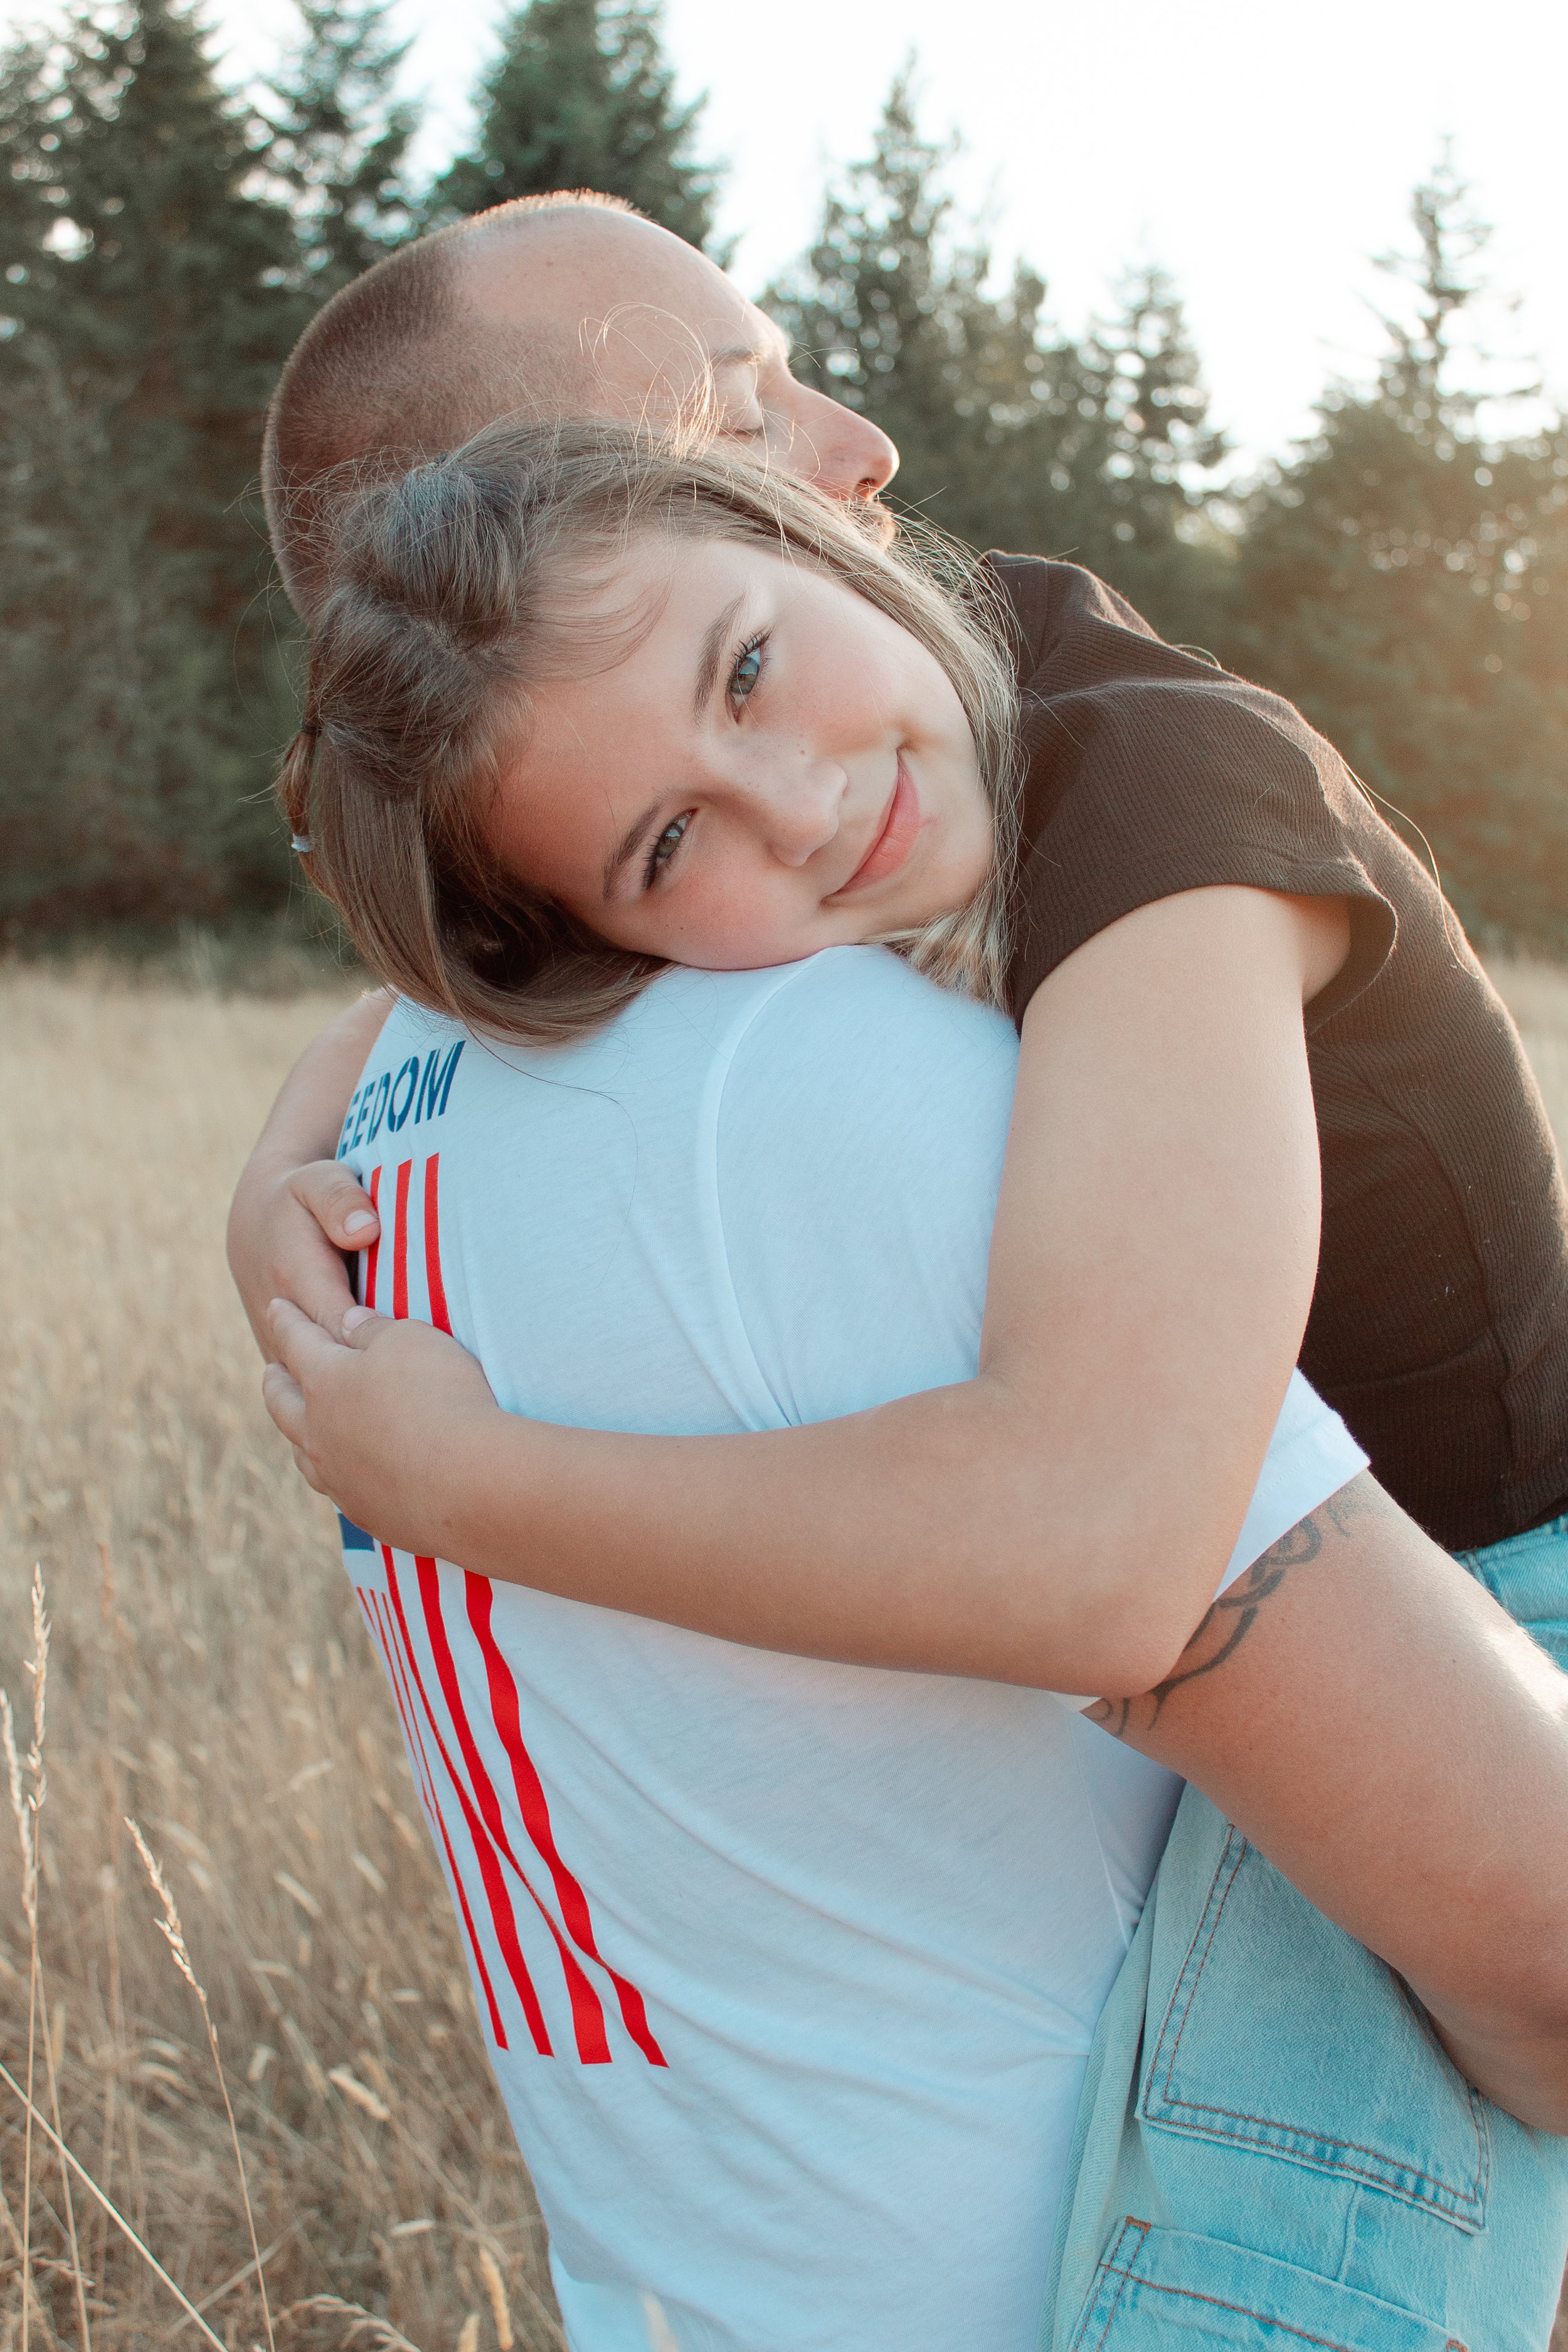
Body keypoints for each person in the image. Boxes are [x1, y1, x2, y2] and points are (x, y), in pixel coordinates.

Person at [260, 416, 1568, 2349]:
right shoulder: (901, 772)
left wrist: (470, 1486)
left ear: (802, 531)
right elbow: (418, 987)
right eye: (666, 843)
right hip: (1303, 1622)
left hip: (1482, 1592)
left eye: (751, 669)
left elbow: (1106, 1556)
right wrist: (280, 1162)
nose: (794, 806)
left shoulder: (1162, 798)